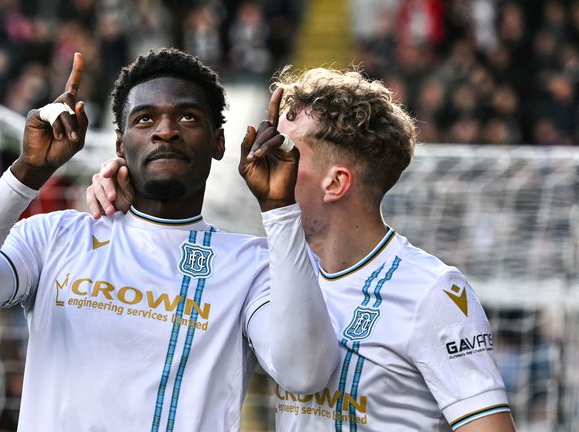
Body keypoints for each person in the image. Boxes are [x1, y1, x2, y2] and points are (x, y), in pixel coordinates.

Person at [0, 48, 338, 431]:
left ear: (218, 142)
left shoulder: (251, 264)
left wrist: (280, 210)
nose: (166, 131)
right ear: (120, 143)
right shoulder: (55, 237)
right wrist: (27, 174)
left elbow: (305, 372)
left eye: (187, 116)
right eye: (145, 118)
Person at [87, 66, 516, 431]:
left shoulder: (432, 292)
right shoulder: (267, 274)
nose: (268, 157)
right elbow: (174, 261)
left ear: (336, 182)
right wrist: (129, 194)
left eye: (289, 150)